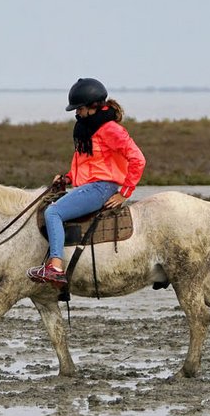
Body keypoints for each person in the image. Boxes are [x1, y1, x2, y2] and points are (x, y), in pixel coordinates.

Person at [29, 78, 146, 285]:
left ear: (93, 107)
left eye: (80, 109)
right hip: (90, 186)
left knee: (53, 212)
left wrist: (125, 192)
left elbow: (138, 159)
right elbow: (87, 166)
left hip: (101, 188)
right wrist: (67, 178)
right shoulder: (87, 130)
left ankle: (55, 266)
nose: (77, 114)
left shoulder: (111, 130)